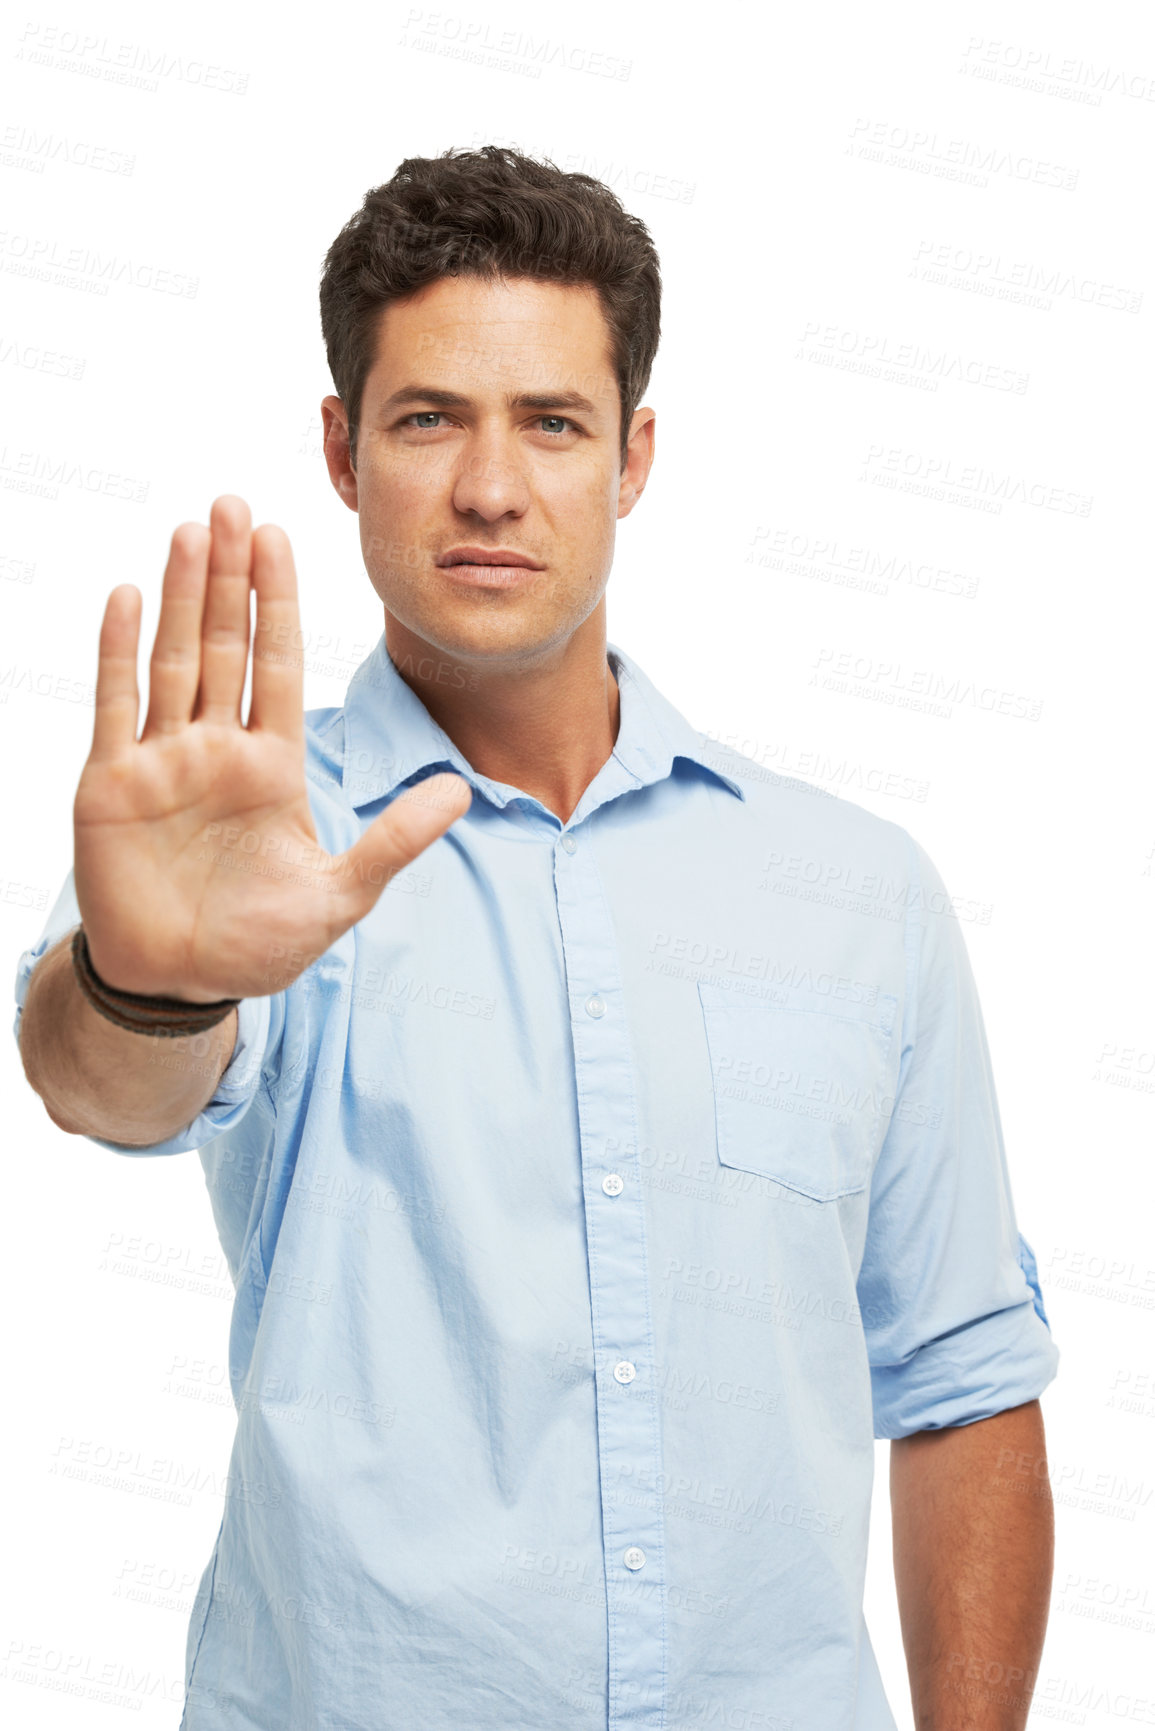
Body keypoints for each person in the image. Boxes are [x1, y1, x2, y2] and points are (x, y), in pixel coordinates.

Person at [14, 145, 1059, 1731]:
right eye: (429, 417)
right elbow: (106, 1087)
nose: (492, 488)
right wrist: (148, 985)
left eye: (552, 423)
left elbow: (965, 1381)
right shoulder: (258, 842)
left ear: (634, 456)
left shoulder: (858, 894)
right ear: (342, 450)